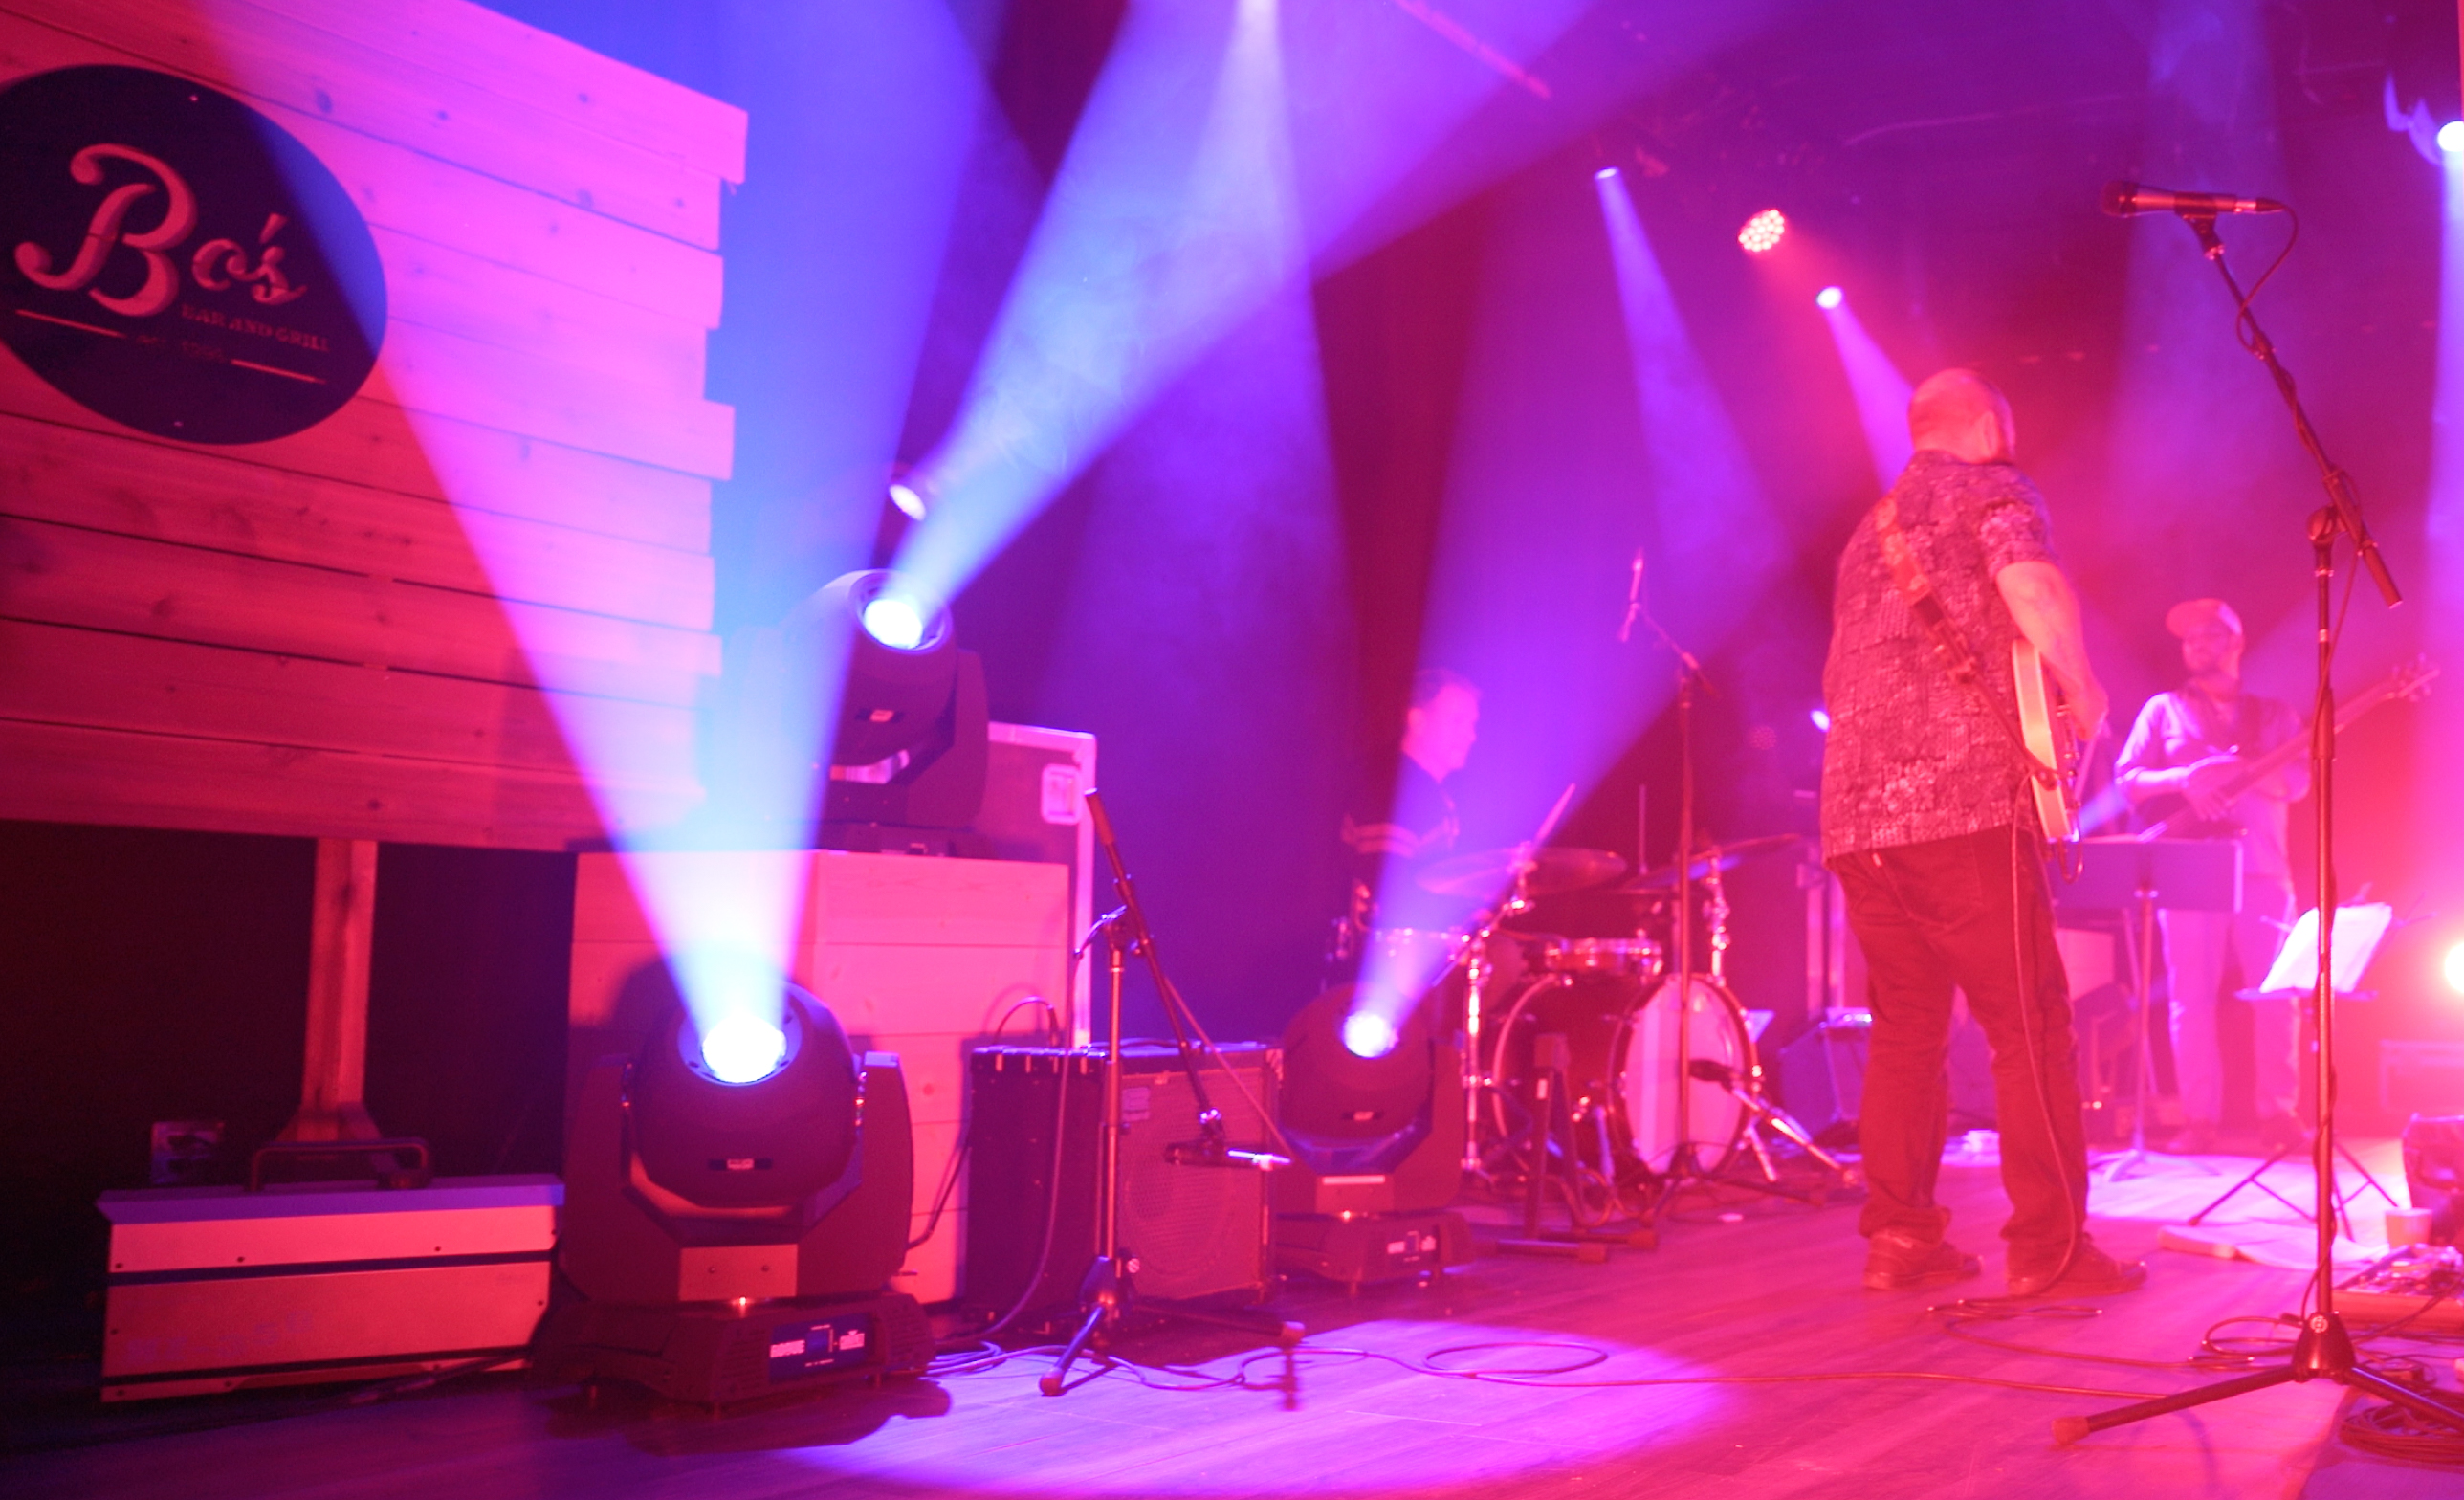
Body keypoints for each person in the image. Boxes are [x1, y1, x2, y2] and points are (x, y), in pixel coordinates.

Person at [1819, 368, 2144, 1297]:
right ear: (1986, 421)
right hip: (1960, 808)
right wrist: (2081, 686)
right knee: (2029, 1023)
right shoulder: (1993, 488)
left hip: (1856, 817)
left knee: (1905, 1030)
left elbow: (1837, 668)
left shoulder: (1864, 531)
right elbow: (2030, 583)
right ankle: (2047, 1247)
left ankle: (1898, 1235)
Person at [2115, 599, 2307, 1157]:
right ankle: (2198, 1120)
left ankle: (2280, 1114)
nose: (2196, 645)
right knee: (2189, 1000)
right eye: (2189, 639)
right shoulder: (2163, 710)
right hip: (2189, 871)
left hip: (2264, 871)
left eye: (2209, 636)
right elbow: (2128, 780)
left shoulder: (2274, 715)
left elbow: (2298, 783)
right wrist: (2186, 777)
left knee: (2278, 996)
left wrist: (2245, 778)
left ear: (2236, 641)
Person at [1332, 668, 1479, 962]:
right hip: (1384, 961)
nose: (1471, 735)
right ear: (1417, 720)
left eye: (1473, 724)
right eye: (1458, 722)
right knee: (1504, 957)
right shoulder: (1394, 787)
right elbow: (1386, 891)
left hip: (1415, 948)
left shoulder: (1431, 794)